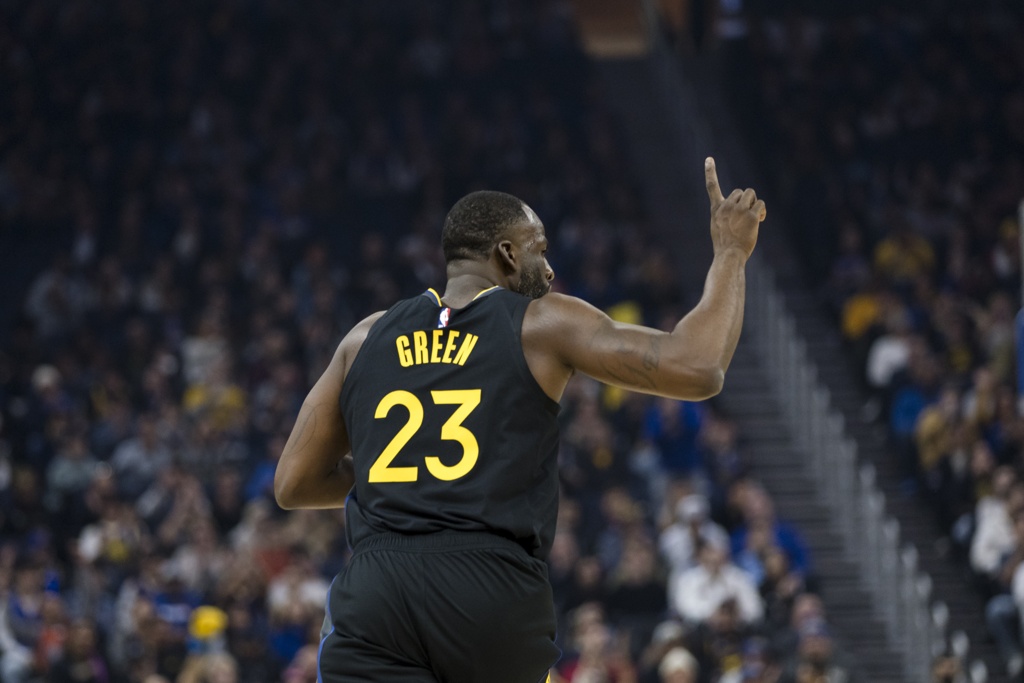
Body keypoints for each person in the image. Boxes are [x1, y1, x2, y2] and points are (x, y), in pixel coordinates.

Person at [274, 157, 766, 683]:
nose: (549, 269)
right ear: (508, 254)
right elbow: (698, 366)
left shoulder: (364, 337)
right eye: (540, 249)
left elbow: (293, 483)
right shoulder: (541, 323)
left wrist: (407, 477)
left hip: (375, 594)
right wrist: (731, 253)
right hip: (486, 588)